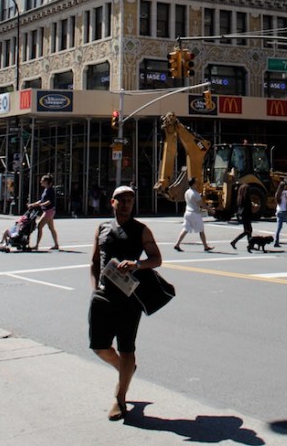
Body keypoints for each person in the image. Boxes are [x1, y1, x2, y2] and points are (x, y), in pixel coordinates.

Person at [89, 185, 162, 421]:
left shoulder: (141, 230)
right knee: (99, 346)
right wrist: (94, 289)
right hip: (103, 295)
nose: (126, 204)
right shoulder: (102, 228)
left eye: (130, 200)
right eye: (121, 200)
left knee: (127, 347)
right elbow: (94, 262)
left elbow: (156, 259)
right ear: (112, 202)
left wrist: (136, 264)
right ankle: (125, 369)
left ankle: (120, 398)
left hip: (129, 298)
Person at [174, 177, 213, 252]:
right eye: (196, 183)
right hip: (195, 213)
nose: (197, 184)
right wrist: (210, 209)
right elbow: (201, 204)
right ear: (194, 184)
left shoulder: (187, 192)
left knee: (185, 229)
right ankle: (205, 246)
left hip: (187, 212)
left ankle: (177, 244)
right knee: (201, 230)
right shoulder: (195, 193)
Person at [29, 174, 60, 250]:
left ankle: (37, 245)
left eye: (42, 181)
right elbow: (41, 200)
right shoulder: (46, 189)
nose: (41, 182)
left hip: (49, 211)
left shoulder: (51, 190)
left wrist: (40, 205)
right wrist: (33, 204)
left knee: (39, 226)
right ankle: (56, 245)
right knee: (51, 228)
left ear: (46, 182)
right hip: (48, 211)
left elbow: (49, 201)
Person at [230, 183, 253, 249]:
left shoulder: (240, 198)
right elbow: (248, 205)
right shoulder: (246, 198)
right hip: (246, 215)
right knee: (247, 231)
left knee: (248, 230)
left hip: (243, 215)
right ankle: (234, 241)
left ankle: (250, 244)